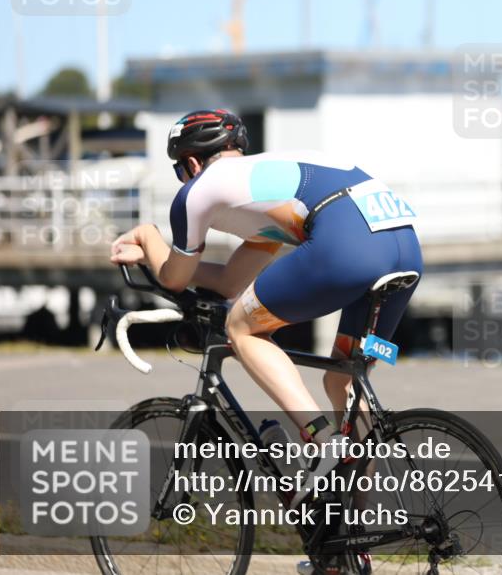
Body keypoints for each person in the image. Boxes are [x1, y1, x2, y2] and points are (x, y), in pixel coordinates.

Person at [109, 109, 422, 510]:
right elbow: (227, 283)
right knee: (342, 381)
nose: (182, 181)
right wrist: (158, 258)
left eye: (179, 171)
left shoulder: (199, 189)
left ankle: (321, 441)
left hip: (347, 242)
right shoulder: (266, 191)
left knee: (242, 329)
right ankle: (350, 534)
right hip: (404, 246)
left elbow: (173, 277)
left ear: (190, 162)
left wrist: (147, 237)